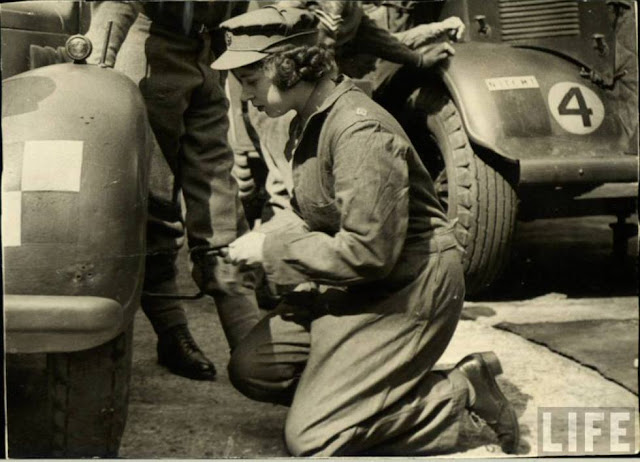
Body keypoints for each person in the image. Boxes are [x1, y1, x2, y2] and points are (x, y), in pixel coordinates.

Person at [212, 6, 519, 456]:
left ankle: (460, 392)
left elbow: (369, 252)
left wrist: (273, 249)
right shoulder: (309, 118)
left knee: (315, 439)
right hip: (360, 283)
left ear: (287, 68)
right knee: (256, 367)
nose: (245, 95)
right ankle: (351, 390)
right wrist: (258, 244)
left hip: (408, 290)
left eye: (251, 81)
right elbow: (311, 212)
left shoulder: (358, 129)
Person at [85, 1, 260, 381]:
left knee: (220, 201)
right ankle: (171, 331)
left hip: (206, 58)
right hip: (150, 56)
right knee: (156, 204)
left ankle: (255, 356)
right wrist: (96, 71)